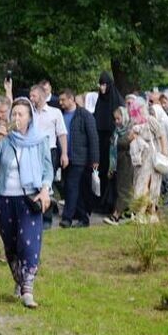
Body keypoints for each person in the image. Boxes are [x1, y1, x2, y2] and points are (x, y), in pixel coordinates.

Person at [0, 98, 53, 308]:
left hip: (30, 199)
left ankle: (28, 291)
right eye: (14, 114)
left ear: (30, 117)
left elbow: (48, 169)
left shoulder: (40, 140)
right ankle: (20, 281)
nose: (16, 118)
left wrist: (45, 189)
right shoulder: (6, 139)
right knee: (12, 246)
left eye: (21, 114)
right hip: (4, 199)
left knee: (28, 244)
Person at [57, 88, 98, 228]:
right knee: (75, 189)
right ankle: (83, 218)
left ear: (71, 99)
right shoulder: (60, 115)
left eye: (63, 100)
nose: (60, 102)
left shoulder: (84, 115)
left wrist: (94, 160)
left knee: (71, 186)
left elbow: (93, 138)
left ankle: (67, 218)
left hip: (80, 158)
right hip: (65, 157)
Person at [29, 84, 68, 228]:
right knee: (34, 182)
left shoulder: (55, 112)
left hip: (50, 151)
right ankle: (35, 213)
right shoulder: (30, 112)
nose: (31, 98)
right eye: (30, 96)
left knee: (47, 183)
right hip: (32, 150)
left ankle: (47, 218)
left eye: (33, 96)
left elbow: (62, 134)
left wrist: (64, 153)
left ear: (41, 95)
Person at [92, 72, 124, 212]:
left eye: (104, 84)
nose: (102, 88)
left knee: (113, 174)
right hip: (101, 143)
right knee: (102, 172)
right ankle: (102, 202)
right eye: (101, 84)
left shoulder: (116, 100)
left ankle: (113, 203)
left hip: (114, 143)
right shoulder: (100, 101)